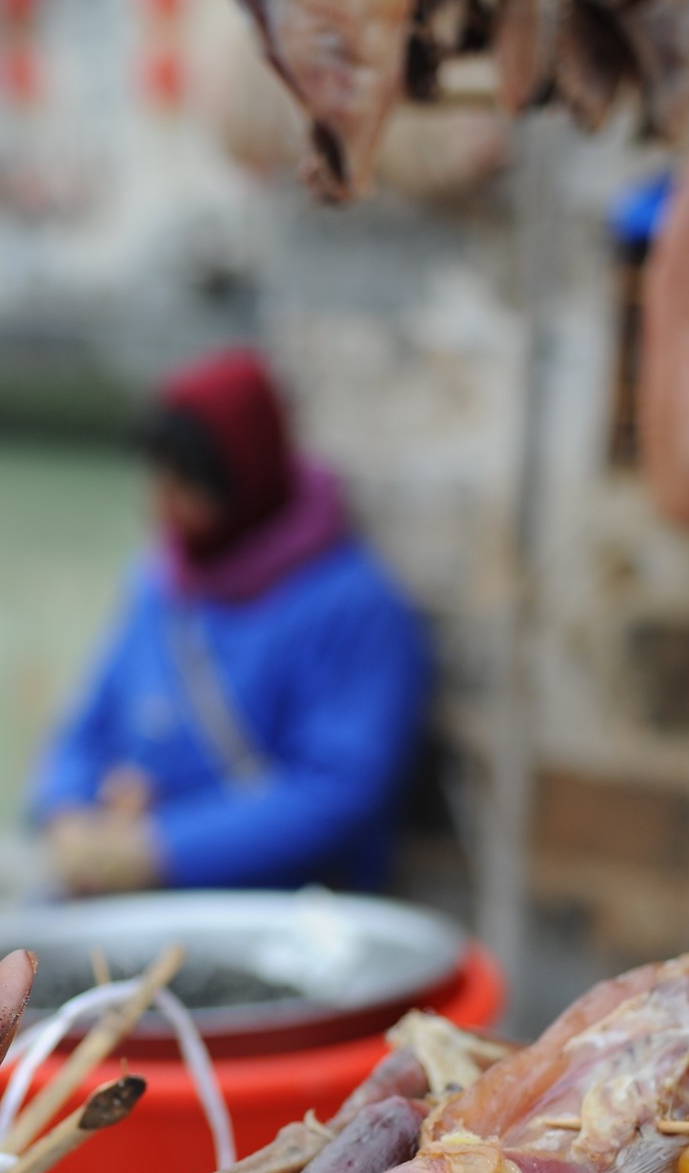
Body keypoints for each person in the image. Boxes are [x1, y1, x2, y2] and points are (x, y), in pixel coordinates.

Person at [30, 348, 433, 895]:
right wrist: (70, 812)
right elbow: (86, 725)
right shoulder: (158, 580)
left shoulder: (355, 607)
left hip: (273, 909)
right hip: (135, 888)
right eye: (159, 481)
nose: (163, 507)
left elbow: (337, 790)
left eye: (186, 486)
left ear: (243, 481)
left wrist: (161, 847)